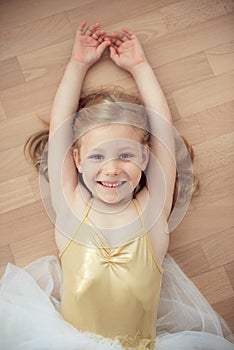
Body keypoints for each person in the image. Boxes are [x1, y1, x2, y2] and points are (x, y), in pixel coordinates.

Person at [0, 21, 233, 350]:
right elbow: (59, 130)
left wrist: (140, 67)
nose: (111, 169)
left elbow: (164, 132)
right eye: (97, 157)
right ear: (77, 161)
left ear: (145, 159)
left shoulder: (152, 214)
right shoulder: (71, 206)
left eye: (125, 155)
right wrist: (77, 65)